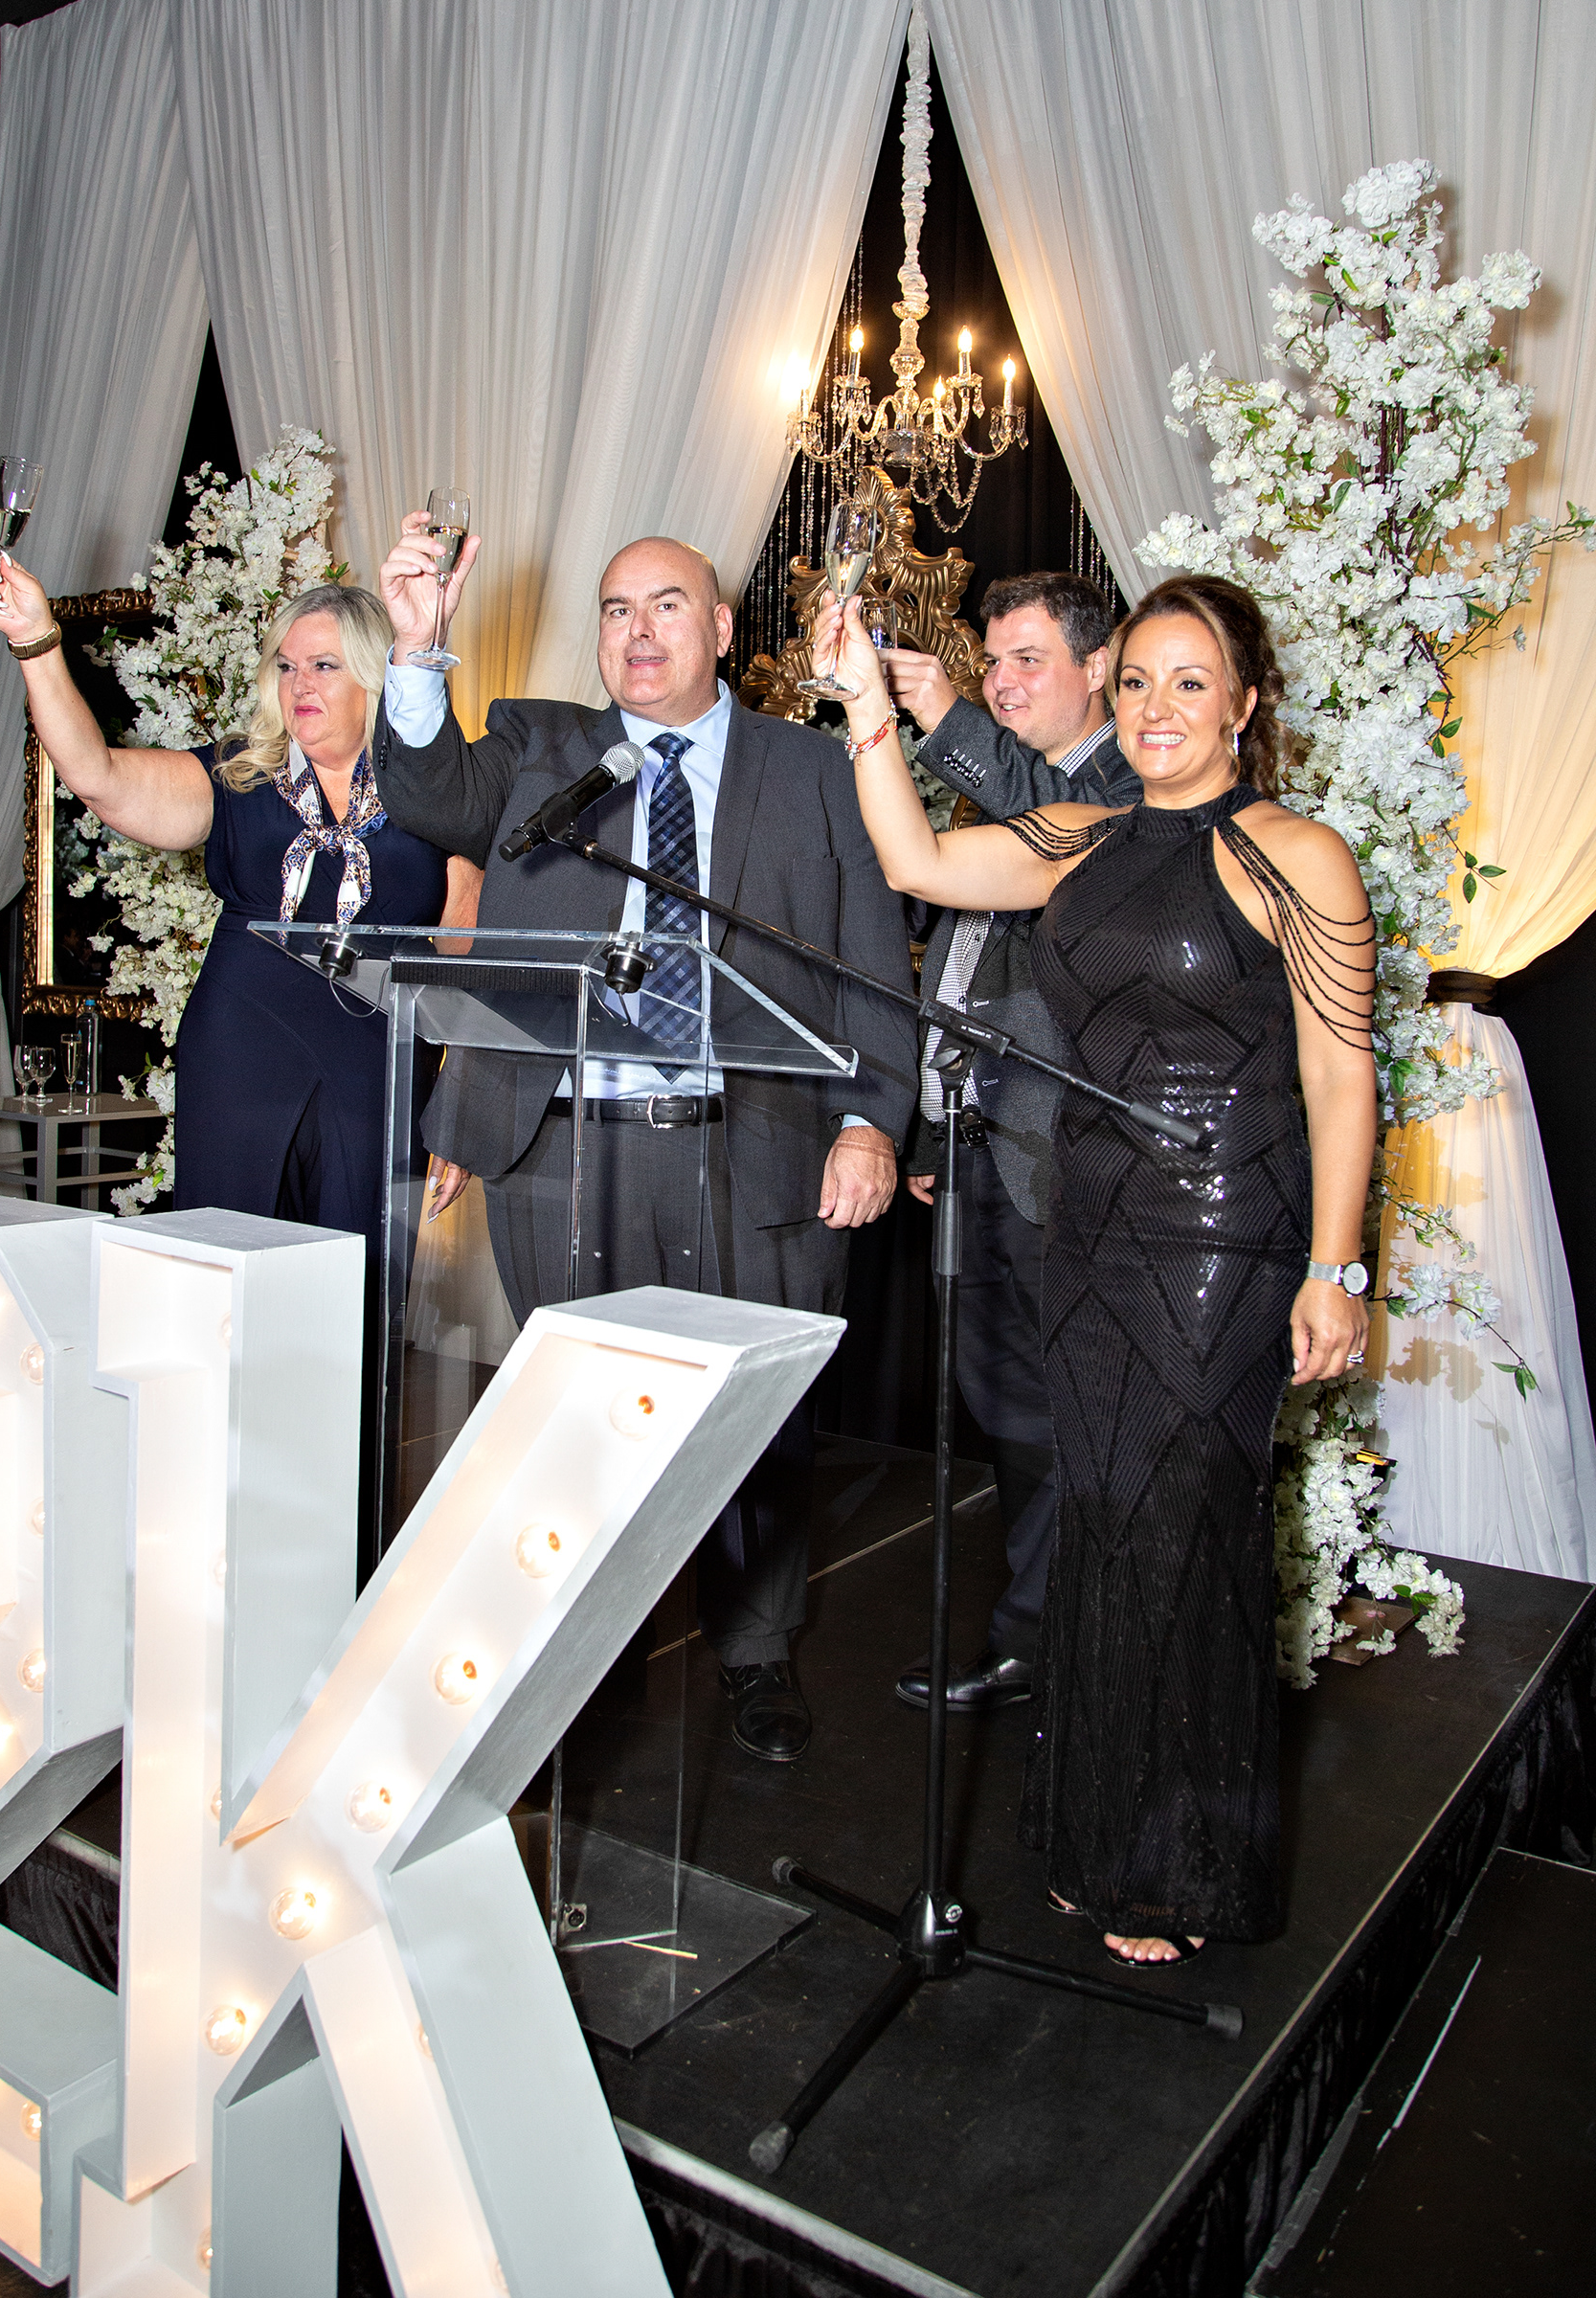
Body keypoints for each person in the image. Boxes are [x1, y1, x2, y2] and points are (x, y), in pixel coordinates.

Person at [819, 573, 1377, 1967]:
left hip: (1227, 1237)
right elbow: (915, 863)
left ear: (1245, 703)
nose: (1155, 708)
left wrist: (1338, 1268)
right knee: (1110, 1525)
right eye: (1135, 683)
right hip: (1091, 1231)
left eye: (1189, 683)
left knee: (1187, 1530)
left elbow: (1341, 1076)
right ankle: (1098, 1830)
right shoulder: (1080, 837)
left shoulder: (1295, 855)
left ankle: (1182, 1866)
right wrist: (868, 706)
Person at [373, 514, 918, 1761]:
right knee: (575, 1427)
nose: (638, 631)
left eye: (667, 605)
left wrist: (868, 1121)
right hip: (565, 1152)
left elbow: (871, 962)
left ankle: (756, 1649)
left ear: (720, 628)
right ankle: (578, 1657)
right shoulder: (542, 749)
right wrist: (416, 651)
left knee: (754, 1426)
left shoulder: (816, 769)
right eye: (617, 610)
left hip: (754, 1146)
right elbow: (429, 795)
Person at [0, 553, 472, 1237]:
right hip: (243, 1044)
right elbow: (96, 775)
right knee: (229, 1258)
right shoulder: (237, 774)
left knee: (360, 1270)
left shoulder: (440, 788)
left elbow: (467, 960)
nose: (300, 684)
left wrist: (465, 1107)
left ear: (375, 675)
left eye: (323, 665)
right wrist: (37, 643)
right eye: (286, 666)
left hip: (382, 1060)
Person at [882, 574, 1141, 1720]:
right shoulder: (997, 787)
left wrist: (939, 715)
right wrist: (932, 1124)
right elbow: (953, 962)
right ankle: (1051, 1624)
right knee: (1004, 1399)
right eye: (990, 663)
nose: (1000, 682)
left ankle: (1052, 1638)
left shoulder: (1130, 788)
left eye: (1028, 660)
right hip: (979, 1136)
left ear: (1099, 668)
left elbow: (1050, 824)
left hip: (1071, 1157)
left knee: (1061, 1404)